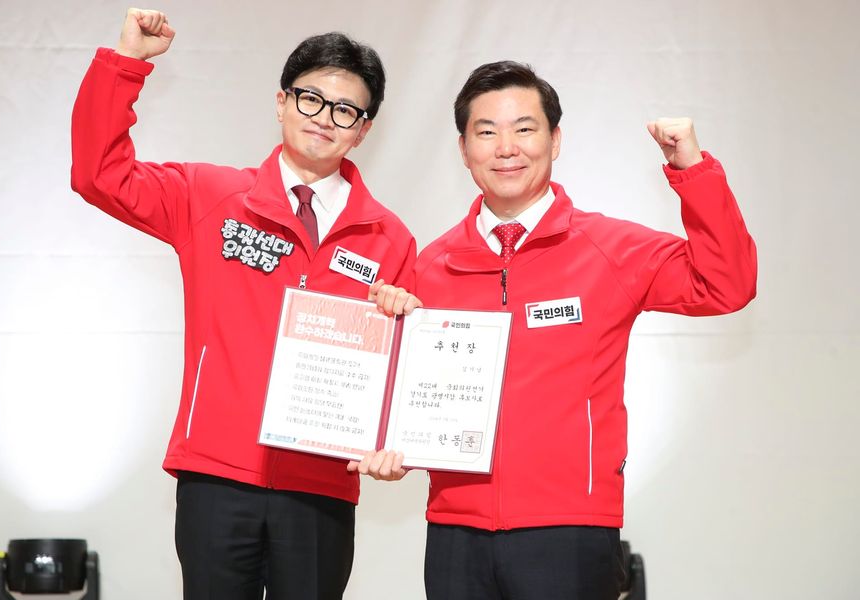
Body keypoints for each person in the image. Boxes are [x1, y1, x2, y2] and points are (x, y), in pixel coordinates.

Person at [360, 61, 757, 599]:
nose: (507, 148)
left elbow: (727, 284)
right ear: (463, 149)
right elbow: (400, 398)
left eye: (524, 128)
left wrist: (691, 168)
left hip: (570, 531)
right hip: (455, 532)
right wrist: (386, 449)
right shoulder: (431, 266)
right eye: (486, 132)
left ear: (555, 140)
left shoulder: (610, 250)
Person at [70, 9, 416, 600]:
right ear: (281, 102)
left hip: (321, 488)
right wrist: (127, 64)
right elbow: (98, 174)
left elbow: (399, 376)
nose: (324, 118)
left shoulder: (389, 239)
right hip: (216, 477)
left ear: (363, 130)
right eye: (311, 99)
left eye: (345, 111)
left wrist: (394, 441)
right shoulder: (209, 196)